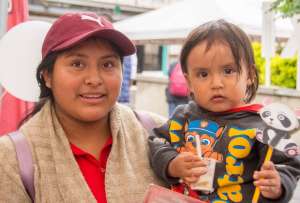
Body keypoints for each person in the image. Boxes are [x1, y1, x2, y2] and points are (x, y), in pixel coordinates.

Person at [0, 12, 166, 202]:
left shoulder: (161, 132)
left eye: (108, 64)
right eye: (77, 64)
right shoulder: (11, 159)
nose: (94, 79)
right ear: (47, 76)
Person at [148, 19, 300, 202]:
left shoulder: (265, 125)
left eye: (228, 71)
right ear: (189, 82)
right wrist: (171, 163)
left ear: (250, 75)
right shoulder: (182, 117)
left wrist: (278, 185)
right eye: (203, 74)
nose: (216, 84)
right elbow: (156, 141)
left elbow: (289, 164)